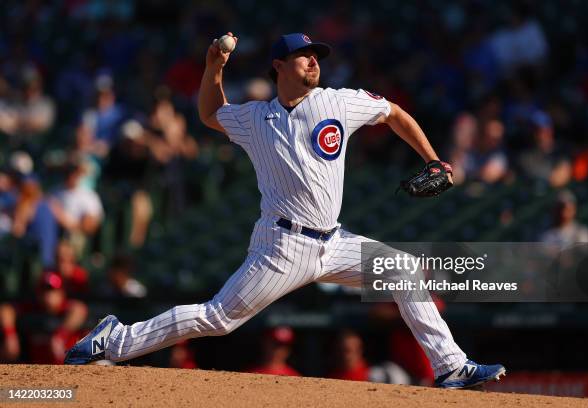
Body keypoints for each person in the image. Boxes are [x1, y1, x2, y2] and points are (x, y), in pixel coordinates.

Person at [65, 32, 505, 389]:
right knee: (218, 319)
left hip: (334, 241)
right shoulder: (257, 118)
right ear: (278, 67)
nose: (313, 61)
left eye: (315, 55)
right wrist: (213, 69)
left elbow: (393, 113)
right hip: (283, 245)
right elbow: (210, 114)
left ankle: (451, 367)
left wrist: (433, 159)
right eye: (301, 56)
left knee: (403, 270)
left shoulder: (337, 101)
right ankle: (115, 338)